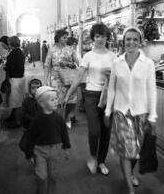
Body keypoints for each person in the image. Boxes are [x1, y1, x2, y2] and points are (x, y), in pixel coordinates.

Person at [104, 27, 157, 194]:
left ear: (140, 42)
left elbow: (152, 90)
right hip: (121, 112)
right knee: (126, 151)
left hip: (141, 112)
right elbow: (111, 89)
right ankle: (128, 186)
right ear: (123, 41)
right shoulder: (116, 62)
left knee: (135, 151)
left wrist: (153, 116)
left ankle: (130, 173)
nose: (131, 42)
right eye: (128, 39)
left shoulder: (148, 64)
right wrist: (107, 111)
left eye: (135, 39)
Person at [64, 23, 116, 175]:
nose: (100, 39)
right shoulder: (88, 56)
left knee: (106, 131)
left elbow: (120, 78)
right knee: (94, 130)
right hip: (91, 95)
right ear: (93, 38)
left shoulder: (113, 57)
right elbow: (79, 75)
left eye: (103, 36)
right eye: (98, 36)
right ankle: (93, 156)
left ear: (107, 37)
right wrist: (69, 94)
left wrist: (113, 75)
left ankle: (101, 161)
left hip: (108, 96)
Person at [24, 86, 71, 194]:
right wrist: (29, 154)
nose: (56, 101)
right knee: (42, 176)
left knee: (54, 176)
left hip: (55, 150)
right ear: (42, 103)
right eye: (52, 99)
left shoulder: (58, 118)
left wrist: (66, 147)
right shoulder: (36, 120)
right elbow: (30, 138)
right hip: (40, 151)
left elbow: (64, 133)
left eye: (56, 98)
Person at [44, 29, 79, 129]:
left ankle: (67, 117)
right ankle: (59, 119)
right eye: (64, 37)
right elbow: (47, 65)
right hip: (56, 79)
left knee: (72, 100)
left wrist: (70, 64)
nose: (66, 39)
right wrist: (45, 80)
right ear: (58, 38)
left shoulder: (70, 49)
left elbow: (77, 63)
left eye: (66, 37)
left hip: (69, 78)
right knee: (57, 100)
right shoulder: (52, 50)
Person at [4, 36, 26, 128]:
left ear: (11, 43)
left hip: (15, 79)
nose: (8, 44)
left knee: (16, 101)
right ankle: (13, 116)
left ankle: (17, 121)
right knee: (15, 100)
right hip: (19, 77)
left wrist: (5, 67)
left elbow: (11, 66)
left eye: (9, 42)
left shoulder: (15, 53)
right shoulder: (18, 51)